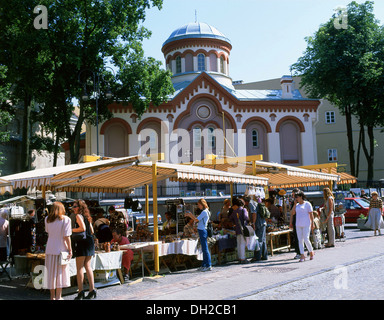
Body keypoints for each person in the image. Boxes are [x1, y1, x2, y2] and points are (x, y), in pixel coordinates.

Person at [44, 202, 72, 300]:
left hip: (50, 248)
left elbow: (48, 233)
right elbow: (66, 236)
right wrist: (70, 249)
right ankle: (58, 296)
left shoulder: (47, 219)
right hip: (61, 249)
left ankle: (52, 297)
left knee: (51, 274)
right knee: (60, 273)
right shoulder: (66, 219)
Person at [72, 199, 96, 300]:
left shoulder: (78, 216)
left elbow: (83, 229)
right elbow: (92, 230)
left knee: (79, 268)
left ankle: (80, 291)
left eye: (74, 206)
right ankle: (92, 290)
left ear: (79, 208)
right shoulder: (87, 217)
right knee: (88, 267)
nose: (73, 208)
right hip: (90, 242)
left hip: (82, 243)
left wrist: (71, 230)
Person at [184, 199, 212, 271]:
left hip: (202, 230)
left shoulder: (204, 212)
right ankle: (204, 264)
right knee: (204, 248)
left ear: (202, 204)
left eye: (198, 204)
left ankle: (208, 265)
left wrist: (190, 214)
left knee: (205, 248)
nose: (198, 206)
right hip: (202, 230)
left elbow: (196, 220)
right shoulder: (206, 212)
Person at [292, 191, 314, 262]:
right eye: (295, 197)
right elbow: (292, 213)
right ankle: (302, 254)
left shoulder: (307, 204)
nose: (296, 198)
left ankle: (311, 251)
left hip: (306, 224)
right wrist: (295, 205)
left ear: (301, 197)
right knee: (300, 240)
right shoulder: (297, 205)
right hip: (298, 224)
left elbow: (311, 214)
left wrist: (312, 223)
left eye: (297, 197)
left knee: (306, 239)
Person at [229, 197, 250, 264]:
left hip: (237, 229)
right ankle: (243, 258)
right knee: (243, 244)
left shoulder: (234, 211)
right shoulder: (243, 210)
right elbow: (246, 218)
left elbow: (230, 218)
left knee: (239, 244)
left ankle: (240, 257)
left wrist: (235, 224)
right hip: (243, 229)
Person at [289, 188, 302, 259]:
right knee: (297, 237)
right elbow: (292, 213)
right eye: (293, 194)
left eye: (295, 194)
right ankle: (298, 252)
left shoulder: (303, 202)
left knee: (304, 237)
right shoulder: (293, 203)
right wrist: (291, 222)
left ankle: (308, 250)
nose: (294, 196)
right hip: (296, 221)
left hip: (302, 221)